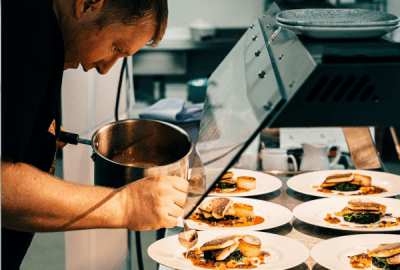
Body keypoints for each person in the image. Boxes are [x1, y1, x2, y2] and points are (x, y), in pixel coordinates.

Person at [1, 0, 189, 269]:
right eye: (115, 47)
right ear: (87, 4)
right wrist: (126, 205)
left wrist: (35, 133)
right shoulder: (24, 29)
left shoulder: (44, 31)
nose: (105, 68)